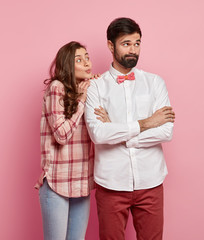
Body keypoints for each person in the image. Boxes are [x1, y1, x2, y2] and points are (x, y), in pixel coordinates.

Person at [84, 17, 175, 239]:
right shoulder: (95, 86)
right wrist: (146, 123)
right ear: (110, 46)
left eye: (137, 43)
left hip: (151, 181)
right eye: (126, 43)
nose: (133, 49)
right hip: (111, 184)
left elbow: (166, 131)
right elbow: (98, 134)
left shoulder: (155, 83)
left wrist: (119, 133)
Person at [35, 41, 109, 240]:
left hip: (81, 181)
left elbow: (104, 128)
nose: (87, 63)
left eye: (87, 57)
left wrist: (94, 92)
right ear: (68, 64)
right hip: (57, 181)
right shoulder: (56, 88)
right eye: (79, 59)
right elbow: (61, 135)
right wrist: (81, 100)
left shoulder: (88, 89)